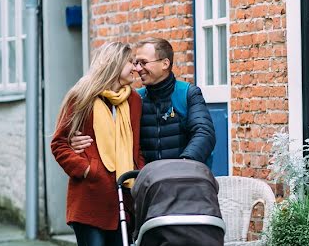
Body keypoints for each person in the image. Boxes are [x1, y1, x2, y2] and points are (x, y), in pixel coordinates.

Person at [50, 42, 145, 246]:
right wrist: (86, 169)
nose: (135, 68)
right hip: (89, 198)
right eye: (130, 63)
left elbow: (136, 147)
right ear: (114, 64)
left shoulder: (133, 101)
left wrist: (140, 177)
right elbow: (59, 143)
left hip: (122, 200)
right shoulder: (82, 97)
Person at [70, 37, 216, 164]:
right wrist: (77, 142)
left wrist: (186, 163)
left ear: (165, 64)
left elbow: (204, 132)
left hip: (184, 182)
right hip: (147, 184)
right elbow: (112, 137)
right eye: (136, 63)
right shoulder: (134, 98)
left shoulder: (187, 93)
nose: (138, 68)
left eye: (143, 63)